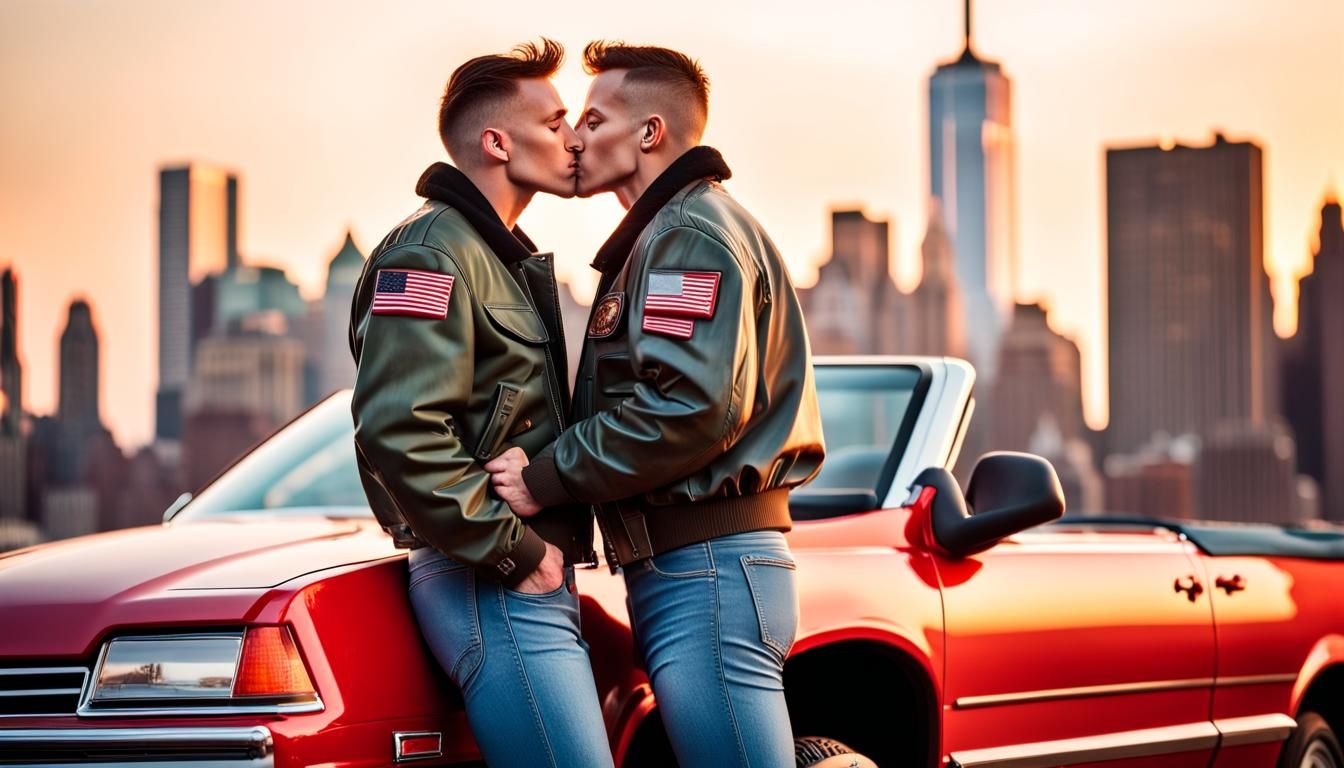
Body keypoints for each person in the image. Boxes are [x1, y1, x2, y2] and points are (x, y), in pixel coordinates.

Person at [487, 41, 826, 767]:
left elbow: (690, 410)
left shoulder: (687, 236)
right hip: (696, 566)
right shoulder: (672, 233)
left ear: (649, 134)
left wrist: (545, 475)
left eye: (593, 118)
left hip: (706, 567)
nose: (574, 137)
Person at [349, 39, 613, 768]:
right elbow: (399, 428)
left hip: (513, 574)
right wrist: (517, 553)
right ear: (497, 142)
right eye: (555, 122)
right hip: (488, 576)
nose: (573, 139)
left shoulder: (492, 253)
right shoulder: (430, 254)